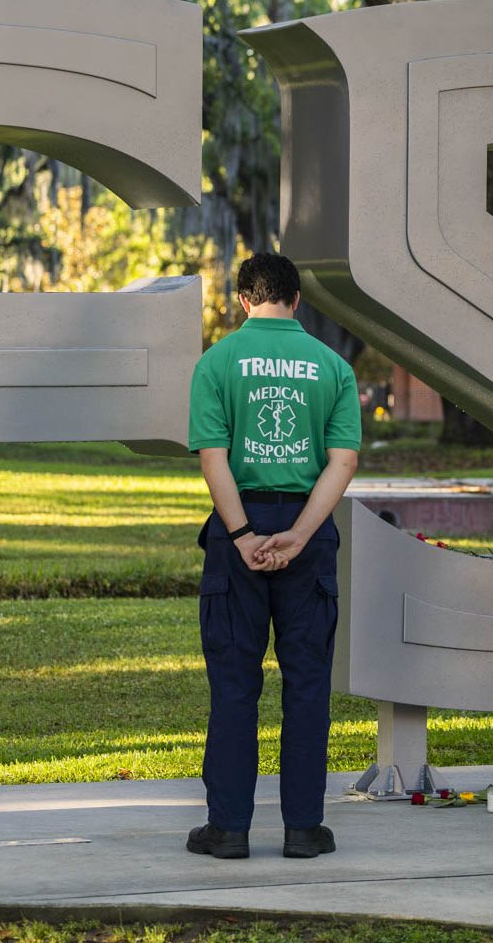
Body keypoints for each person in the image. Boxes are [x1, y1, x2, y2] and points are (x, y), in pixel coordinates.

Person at [185, 252, 361, 860]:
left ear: (242, 300)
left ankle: (229, 828)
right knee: (307, 682)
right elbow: (343, 461)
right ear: (297, 300)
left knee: (235, 683)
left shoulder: (217, 362)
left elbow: (214, 457)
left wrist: (241, 536)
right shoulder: (333, 367)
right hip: (306, 532)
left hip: (240, 528)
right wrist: (303, 534)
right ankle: (304, 828)